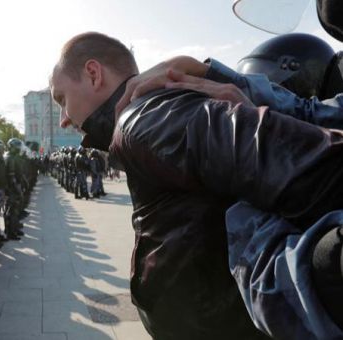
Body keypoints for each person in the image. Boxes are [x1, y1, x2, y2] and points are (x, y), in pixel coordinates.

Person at [49, 31, 343, 339]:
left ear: (93, 74)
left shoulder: (146, 118)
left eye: (61, 99)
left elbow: (311, 172)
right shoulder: (142, 121)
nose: (63, 120)